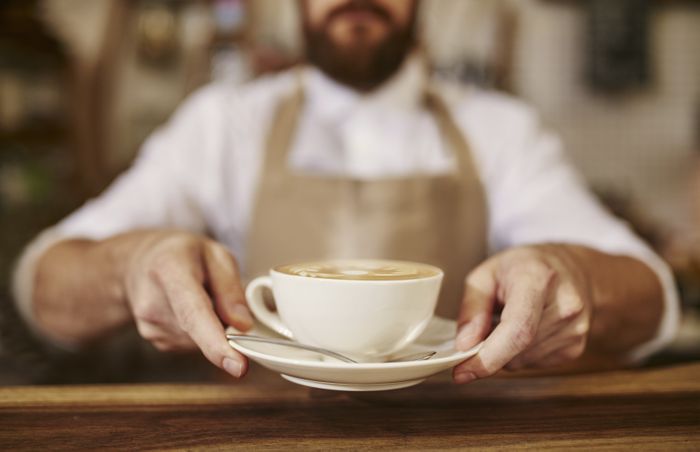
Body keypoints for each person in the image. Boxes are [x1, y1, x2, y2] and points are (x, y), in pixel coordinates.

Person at [12, 0, 678, 384]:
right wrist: (131, 265)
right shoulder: (223, 123)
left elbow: (652, 298)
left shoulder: (499, 129)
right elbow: (41, 283)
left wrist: (573, 278)